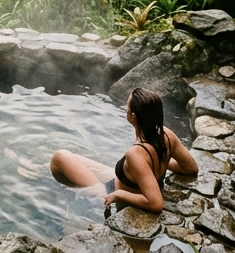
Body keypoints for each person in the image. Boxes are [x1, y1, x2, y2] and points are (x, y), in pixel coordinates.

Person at [50, 87, 198, 213]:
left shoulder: (136, 153)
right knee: (74, 159)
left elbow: (156, 203)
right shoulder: (166, 134)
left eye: (127, 107)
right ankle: (37, 168)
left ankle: (47, 179)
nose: (126, 109)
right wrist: (160, 162)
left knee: (60, 157)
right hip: (124, 181)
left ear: (133, 116)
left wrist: (120, 195)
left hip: (109, 192)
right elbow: (191, 168)